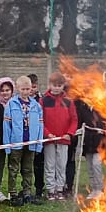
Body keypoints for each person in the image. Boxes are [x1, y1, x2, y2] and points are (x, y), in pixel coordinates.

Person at [3, 77, 43, 204]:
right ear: (17, 89)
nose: (26, 91)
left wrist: (38, 143)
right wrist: (7, 145)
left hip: (30, 142)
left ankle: (26, 192)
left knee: (28, 169)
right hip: (16, 142)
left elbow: (40, 125)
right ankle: (13, 193)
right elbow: (7, 126)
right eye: (23, 89)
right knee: (13, 168)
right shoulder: (11, 104)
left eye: (28, 89)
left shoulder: (36, 106)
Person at [40, 74, 77, 203]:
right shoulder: (43, 100)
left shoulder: (68, 101)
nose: (56, 88)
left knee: (61, 165)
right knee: (50, 165)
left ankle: (60, 189)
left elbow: (74, 119)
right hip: (49, 139)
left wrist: (69, 133)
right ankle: (50, 190)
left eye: (59, 86)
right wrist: (47, 133)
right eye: (54, 85)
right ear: (49, 85)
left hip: (64, 139)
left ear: (63, 86)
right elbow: (41, 120)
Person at [73, 89, 106, 201]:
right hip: (88, 142)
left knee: (96, 164)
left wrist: (102, 129)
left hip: (100, 142)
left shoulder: (102, 108)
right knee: (89, 166)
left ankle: (100, 189)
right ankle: (94, 189)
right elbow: (79, 123)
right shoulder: (83, 109)